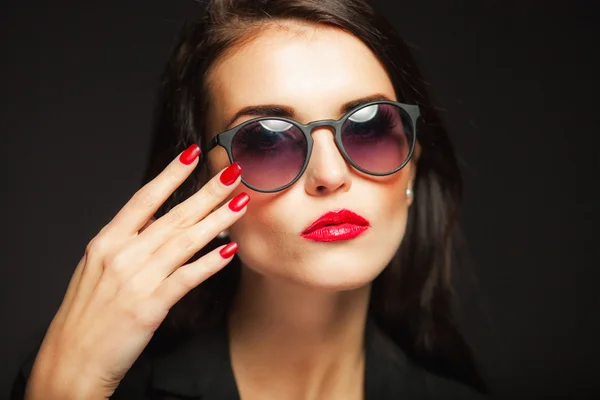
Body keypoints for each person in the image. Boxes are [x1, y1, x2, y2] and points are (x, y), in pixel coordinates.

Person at [11, 0, 491, 398]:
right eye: (268, 141)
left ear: (413, 164)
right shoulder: (81, 386)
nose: (330, 175)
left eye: (369, 128)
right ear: (203, 188)